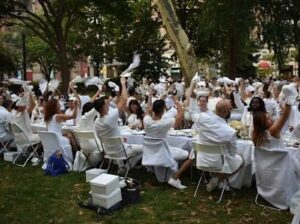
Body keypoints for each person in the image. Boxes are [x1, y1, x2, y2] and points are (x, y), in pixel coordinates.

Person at [190, 99, 244, 192]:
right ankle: (217, 180)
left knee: (222, 158)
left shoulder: (203, 118)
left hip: (201, 160)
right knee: (240, 160)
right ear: (226, 112)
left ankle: (218, 181)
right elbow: (233, 153)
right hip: (219, 164)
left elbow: (191, 113)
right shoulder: (230, 131)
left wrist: (193, 98)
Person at [143, 94, 194, 189]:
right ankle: (174, 177)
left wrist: (156, 102)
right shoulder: (164, 123)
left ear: (153, 110)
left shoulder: (146, 120)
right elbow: (181, 115)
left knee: (174, 151)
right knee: (186, 153)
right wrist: (177, 102)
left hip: (152, 152)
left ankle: (167, 173)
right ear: (163, 111)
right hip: (163, 152)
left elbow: (148, 110)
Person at [94, 77, 143, 172]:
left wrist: (119, 139)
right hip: (121, 151)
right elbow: (124, 98)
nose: (108, 104)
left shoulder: (97, 121)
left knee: (122, 144)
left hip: (109, 151)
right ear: (103, 107)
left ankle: (121, 166)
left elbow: (103, 136)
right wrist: (123, 84)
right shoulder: (110, 117)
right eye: (106, 104)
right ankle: (127, 167)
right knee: (146, 148)